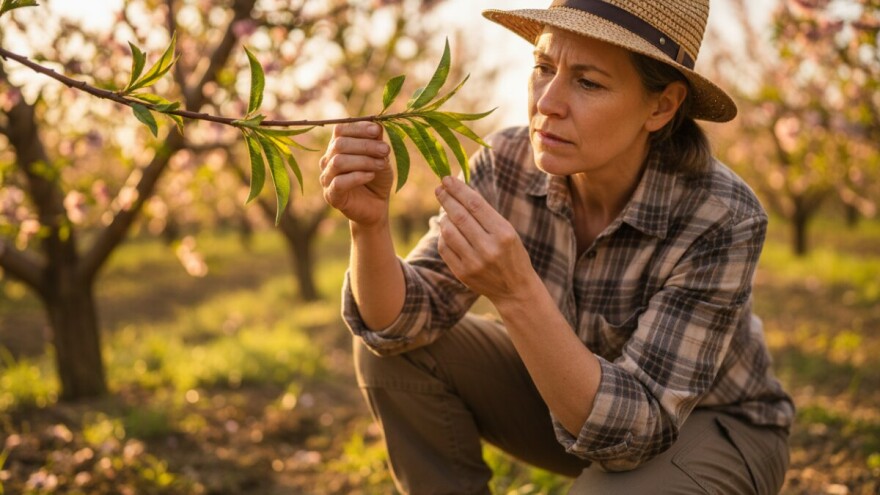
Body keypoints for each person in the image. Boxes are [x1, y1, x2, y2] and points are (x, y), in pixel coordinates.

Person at [319, 1, 795, 493]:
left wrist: (516, 293)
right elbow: (397, 324)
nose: (547, 101)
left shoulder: (721, 215)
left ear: (662, 106)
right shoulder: (506, 161)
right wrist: (369, 226)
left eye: (588, 82)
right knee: (392, 354)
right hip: (570, 404)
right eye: (543, 67)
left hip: (710, 423)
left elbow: (641, 429)